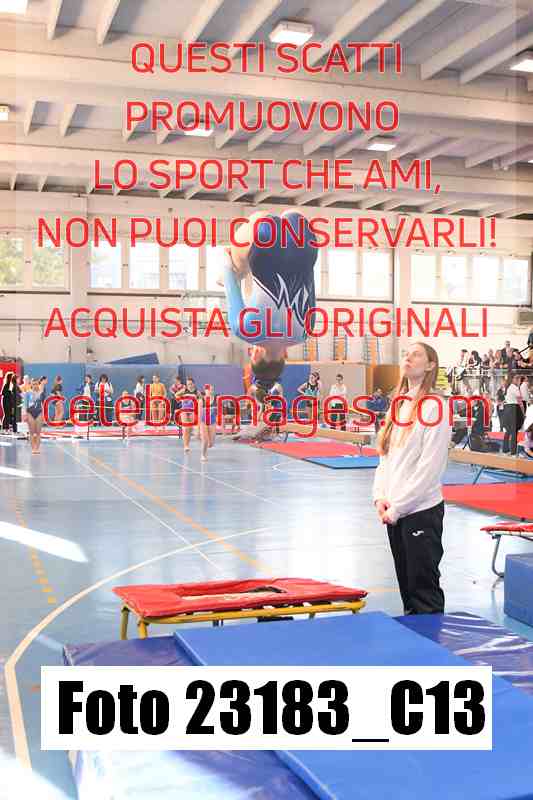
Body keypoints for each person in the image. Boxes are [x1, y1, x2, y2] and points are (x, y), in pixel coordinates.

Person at [373, 342, 451, 615]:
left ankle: (432, 640)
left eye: (416, 354)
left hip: (420, 511)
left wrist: (398, 508)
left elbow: (429, 469)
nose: (408, 357)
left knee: (423, 591)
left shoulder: (435, 407)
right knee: (407, 590)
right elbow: (385, 457)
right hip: (396, 510)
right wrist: (380, 496)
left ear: (430, 365)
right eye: (406, 353)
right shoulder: (399, 404)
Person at [221, 210, 318, 402]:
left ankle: (286, 217)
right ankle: (255, 229)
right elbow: (228, 274)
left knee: (290, 218)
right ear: (256, 355)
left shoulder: (306, 332)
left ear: (285, 355)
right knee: (234, 264)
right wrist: (231, 266)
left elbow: (310, 283)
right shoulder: (245, 331)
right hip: (265, 239)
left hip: (304, 244)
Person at [502, 374, 525, 456]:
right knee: (514, 431)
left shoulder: (508, 387)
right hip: (514, 409)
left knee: (508, 431)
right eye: (518, 379)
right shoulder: (514, 387)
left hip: (508, 409)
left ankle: (505, 450)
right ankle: (513, 452)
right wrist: (523, 412)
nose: (519, 381)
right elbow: (520, 400)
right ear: (514, 380)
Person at [23, 378, 45, 454]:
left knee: (38, 432)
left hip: (39, 412)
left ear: (38, 384)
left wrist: (43, 414)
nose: (35, 385)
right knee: (31, 432)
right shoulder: (27, 393)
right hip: (30, 413)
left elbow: (43, 404)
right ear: (31, 384)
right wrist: (25, 414)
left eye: (36, 384)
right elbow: (25, 404)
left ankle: (37, 448)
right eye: (33, 384)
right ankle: (33, 449)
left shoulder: (41, 393)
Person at [180, 377, 201, 453]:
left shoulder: (197, 392)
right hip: (184, 410)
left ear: (193, 384)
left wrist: (197, 401)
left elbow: (201, 400)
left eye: (191, 384)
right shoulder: (184, 390)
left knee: (190, 429)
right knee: (186, 429)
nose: (190, 385)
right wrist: (182, 399)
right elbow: (176, 395)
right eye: (188, 384)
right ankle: (186, 446)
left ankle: (189, 443)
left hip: (192, 411)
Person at [199, 384, 217, 461]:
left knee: (211, 443)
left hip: (212, 422)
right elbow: (199, 415)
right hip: (203, 422)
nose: (210, 391)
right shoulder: (201, 401)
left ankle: (207, 445)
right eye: (209, 390)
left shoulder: (216, 400)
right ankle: (203, 455)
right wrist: (198, 428)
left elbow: (219, 412)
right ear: (205, 391)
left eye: (212, 390)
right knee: (205, 440)